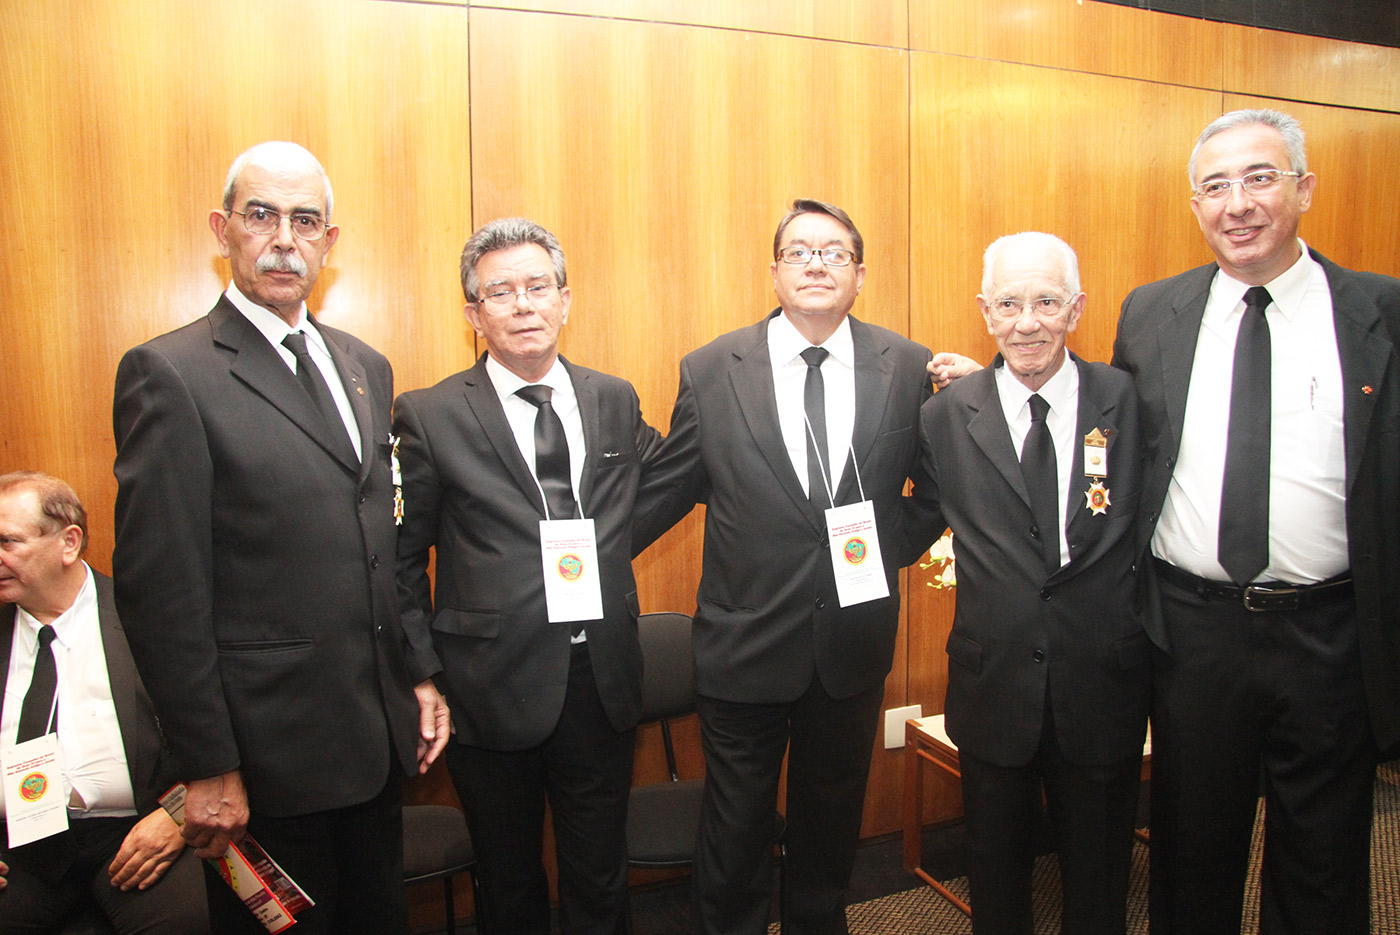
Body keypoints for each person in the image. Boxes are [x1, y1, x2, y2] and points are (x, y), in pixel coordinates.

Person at [111, 141, 449, 935]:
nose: (283, 240)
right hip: (263, 763)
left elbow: (379, 541)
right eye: (261, 215)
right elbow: (161, 593)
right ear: (222, 228)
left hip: (371, 743)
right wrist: (207, 764)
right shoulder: (171, 372)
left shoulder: (364, 365)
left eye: (305, 221)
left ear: (330, 241)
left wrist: (416, 675)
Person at [1112, 109, 1400, 934]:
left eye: (1259, 178)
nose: (1237, 203)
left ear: (1304, 188)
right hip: (1193, 634)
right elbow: (1115, 438)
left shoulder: (1381, 310)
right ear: (1195, 206)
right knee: (1190, 852)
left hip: (1330, 634)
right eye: (1215, 186)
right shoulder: (1151, 311)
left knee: (1324, 859)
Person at [635, 199, 941, 934]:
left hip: (851, 643)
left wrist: (875, 553)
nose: (816, 264)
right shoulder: (712, 368)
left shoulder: (906, 364)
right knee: (735, 830)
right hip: (743, 645)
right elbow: (668, 488)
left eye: (834, 252)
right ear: (774, 271)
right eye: (799, 251)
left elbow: (934, 490)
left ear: (859, 274)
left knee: (829, 825)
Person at [394, 218, 663, 934]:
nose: (522, 305)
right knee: (508, 878)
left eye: (538, 286)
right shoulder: (429, 414)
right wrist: (422, 672)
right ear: (473, 314)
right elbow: (401, 559)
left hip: (600, 676)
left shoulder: (613, 397)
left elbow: (670, 474)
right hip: (488, 683)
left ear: (565, 300)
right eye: (500, 291)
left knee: (599, 872)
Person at [910, 235, 1149, 934]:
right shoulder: (946, 415)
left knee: (1099, 878)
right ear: (985, 312)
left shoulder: (1126, 398)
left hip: (1102, 681)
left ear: (1076, 308)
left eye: (1047, 301)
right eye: (1009, 304)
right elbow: (915, 513)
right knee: (996, 881)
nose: (1028, 322)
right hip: (993, 686)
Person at [0, 471, 208, 934]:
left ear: (69, 542)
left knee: (191, 923)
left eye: (6, 542)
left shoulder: (151, 618)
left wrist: (177, 817)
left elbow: (229, 730)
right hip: (19, 845)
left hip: (140, 830)